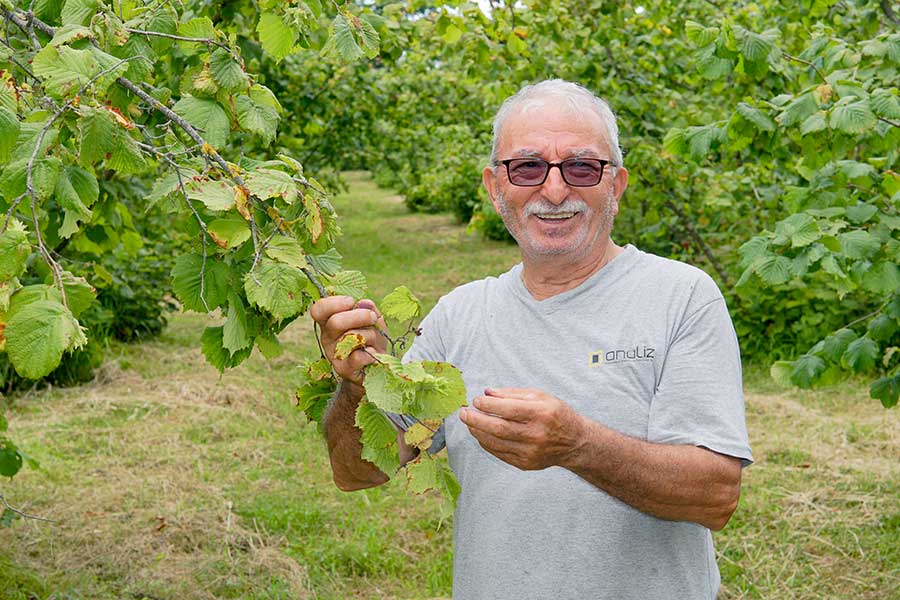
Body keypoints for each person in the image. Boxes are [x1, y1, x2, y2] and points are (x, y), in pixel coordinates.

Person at [309, 79, 753, 599]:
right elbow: (356, 473)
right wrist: (361, 386)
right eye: (528, 167)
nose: (556, 190)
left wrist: (577, 445)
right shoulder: (459, 315)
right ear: (495, 187)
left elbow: (715, 496)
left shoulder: (681, 297)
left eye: (582, 167)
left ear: (617, 185)